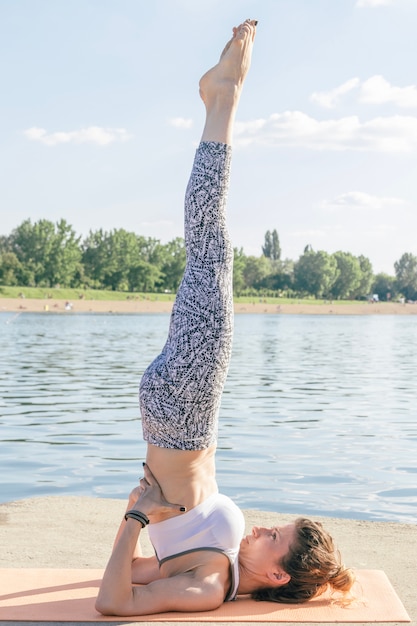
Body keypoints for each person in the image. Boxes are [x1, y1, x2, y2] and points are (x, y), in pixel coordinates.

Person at [96, 19, 354, 617]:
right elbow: (133, 574)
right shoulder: (219, 563)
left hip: (183, 413)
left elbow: (112, 603)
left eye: (273, 538)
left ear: (273, 571)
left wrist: (136, 515)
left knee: (211, 245)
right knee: (210, 250)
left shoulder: (210, 586)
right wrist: (141, 530)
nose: (262, 529)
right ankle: (221, 100)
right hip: (181, 413)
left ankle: (223, 101)